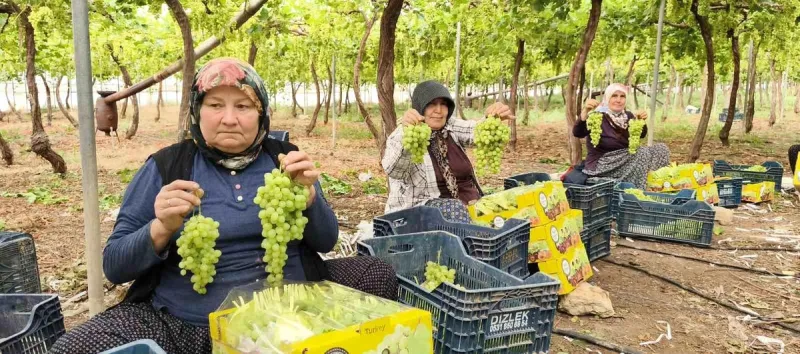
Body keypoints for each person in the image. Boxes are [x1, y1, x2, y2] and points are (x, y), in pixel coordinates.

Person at [51, 58, 397, 354]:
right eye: (215, 105)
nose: (229, 118)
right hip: (191, 326)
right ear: (196, 112)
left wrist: (310, 201)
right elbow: (114, 266)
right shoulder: (166, 167)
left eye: (243, 106)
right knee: (75, 346)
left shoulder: (285, 160)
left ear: (262, 115)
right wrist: (161, 228)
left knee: (378, 272)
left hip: (293, 312)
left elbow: (326, 242)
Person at [382, 80, 514, 215]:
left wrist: (492, 117)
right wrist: (406, 141)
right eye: (432, 104)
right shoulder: (403, 135)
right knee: (457, 211)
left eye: (443, 104)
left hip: (470, 206)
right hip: (421, 214)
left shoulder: (449, 127)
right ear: (420, 107)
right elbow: (395, 171)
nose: (438, 110)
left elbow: (476, 131)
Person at [573, 83, 670, 189]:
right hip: (603, 163)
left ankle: (655, 186)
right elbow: (578, 133)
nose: (618, 100)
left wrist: (640, 121)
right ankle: (636, 191)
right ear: (607, 98)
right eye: (614, 96)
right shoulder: (596, 116)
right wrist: (585, 112)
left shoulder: (629, 115)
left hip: (626, 158)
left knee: (661, 149)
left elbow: (641, 135)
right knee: (641, 153)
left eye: (622, 96)